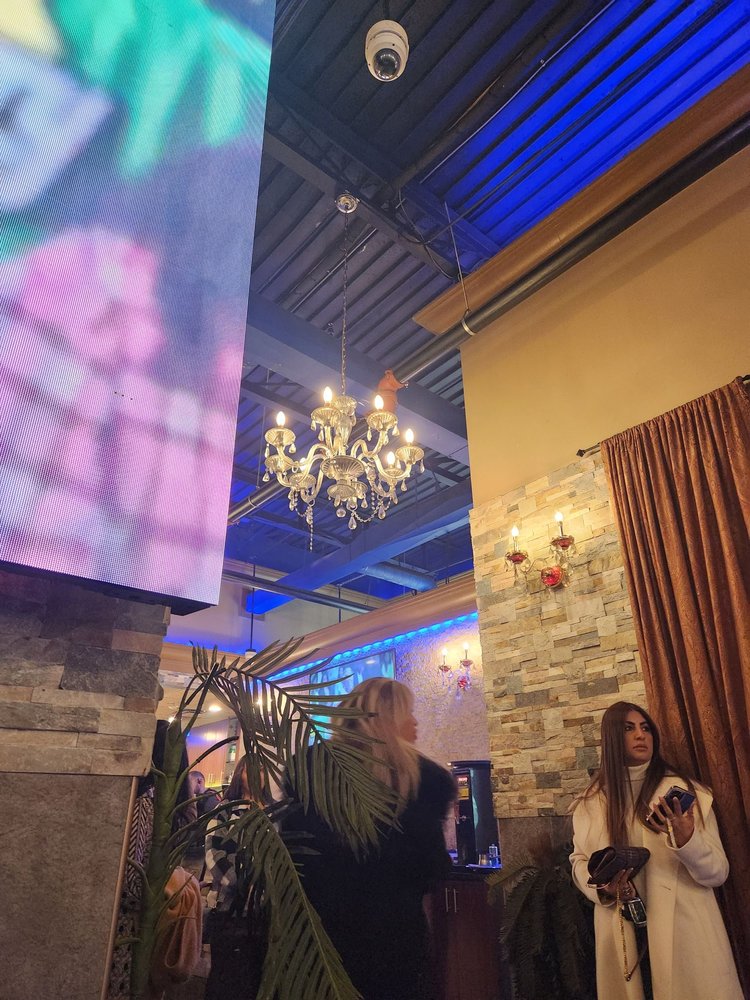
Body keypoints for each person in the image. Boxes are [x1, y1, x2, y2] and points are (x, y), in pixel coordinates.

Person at [283, 677, 457, 1000]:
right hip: (394, 942)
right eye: (408, 712)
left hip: (317, 943)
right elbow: (431, 869)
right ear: (388, 719)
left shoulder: (309, 771)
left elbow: (293, 860)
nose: (415, 721)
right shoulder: (426, 782)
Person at [570, 701, 743, 1000]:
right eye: (629, 728)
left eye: (646, 728)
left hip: (686, 940)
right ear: (611, 737)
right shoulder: (591, 802)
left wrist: (688, 841)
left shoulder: (684, 794)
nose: (641, 735)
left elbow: (718, 873)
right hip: (624, 938)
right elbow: (579, 862)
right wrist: (603, 887)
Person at [203, 758, 267, 1000]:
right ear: (240, 773)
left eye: (262, 769)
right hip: (230, 909)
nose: (257, 774)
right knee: (225, 979)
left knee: (254, 980)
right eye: (250, 768)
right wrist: (246, 885)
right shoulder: (226, 810)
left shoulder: (274, 811)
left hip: (264, 913)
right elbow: (214, 853)